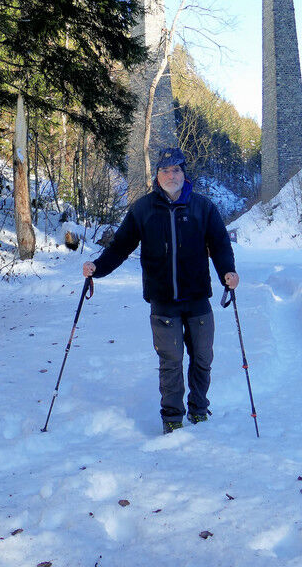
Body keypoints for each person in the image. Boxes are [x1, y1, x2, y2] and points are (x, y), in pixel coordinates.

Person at [82, 146, 239, 434]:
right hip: (163, 301)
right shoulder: (143, 209)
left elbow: (219, 244)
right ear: (157, 175)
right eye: (165, 170)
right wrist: (98, 267)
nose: (171, 175)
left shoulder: (204, 207)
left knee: (203, 358)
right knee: (171, 361)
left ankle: (199, 410)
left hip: (197, 299)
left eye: (176, 169)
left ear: (184, 174)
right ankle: (172, 418)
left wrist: (227, 272)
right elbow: (120, 246)